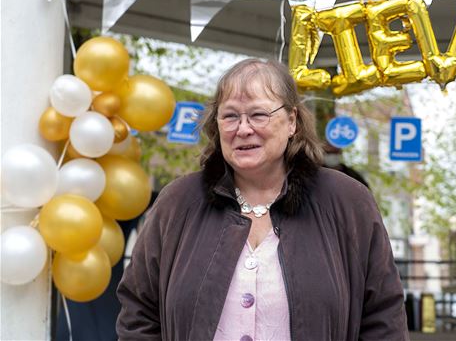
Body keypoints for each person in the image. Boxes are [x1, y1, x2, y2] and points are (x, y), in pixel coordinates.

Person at [116, 59, 408, 340]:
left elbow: (384, 319)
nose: (243, 129)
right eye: (230, 116)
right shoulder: (178, 202)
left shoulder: (347, 201)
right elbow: (138, 312)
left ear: (292, 121)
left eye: (258, 114)